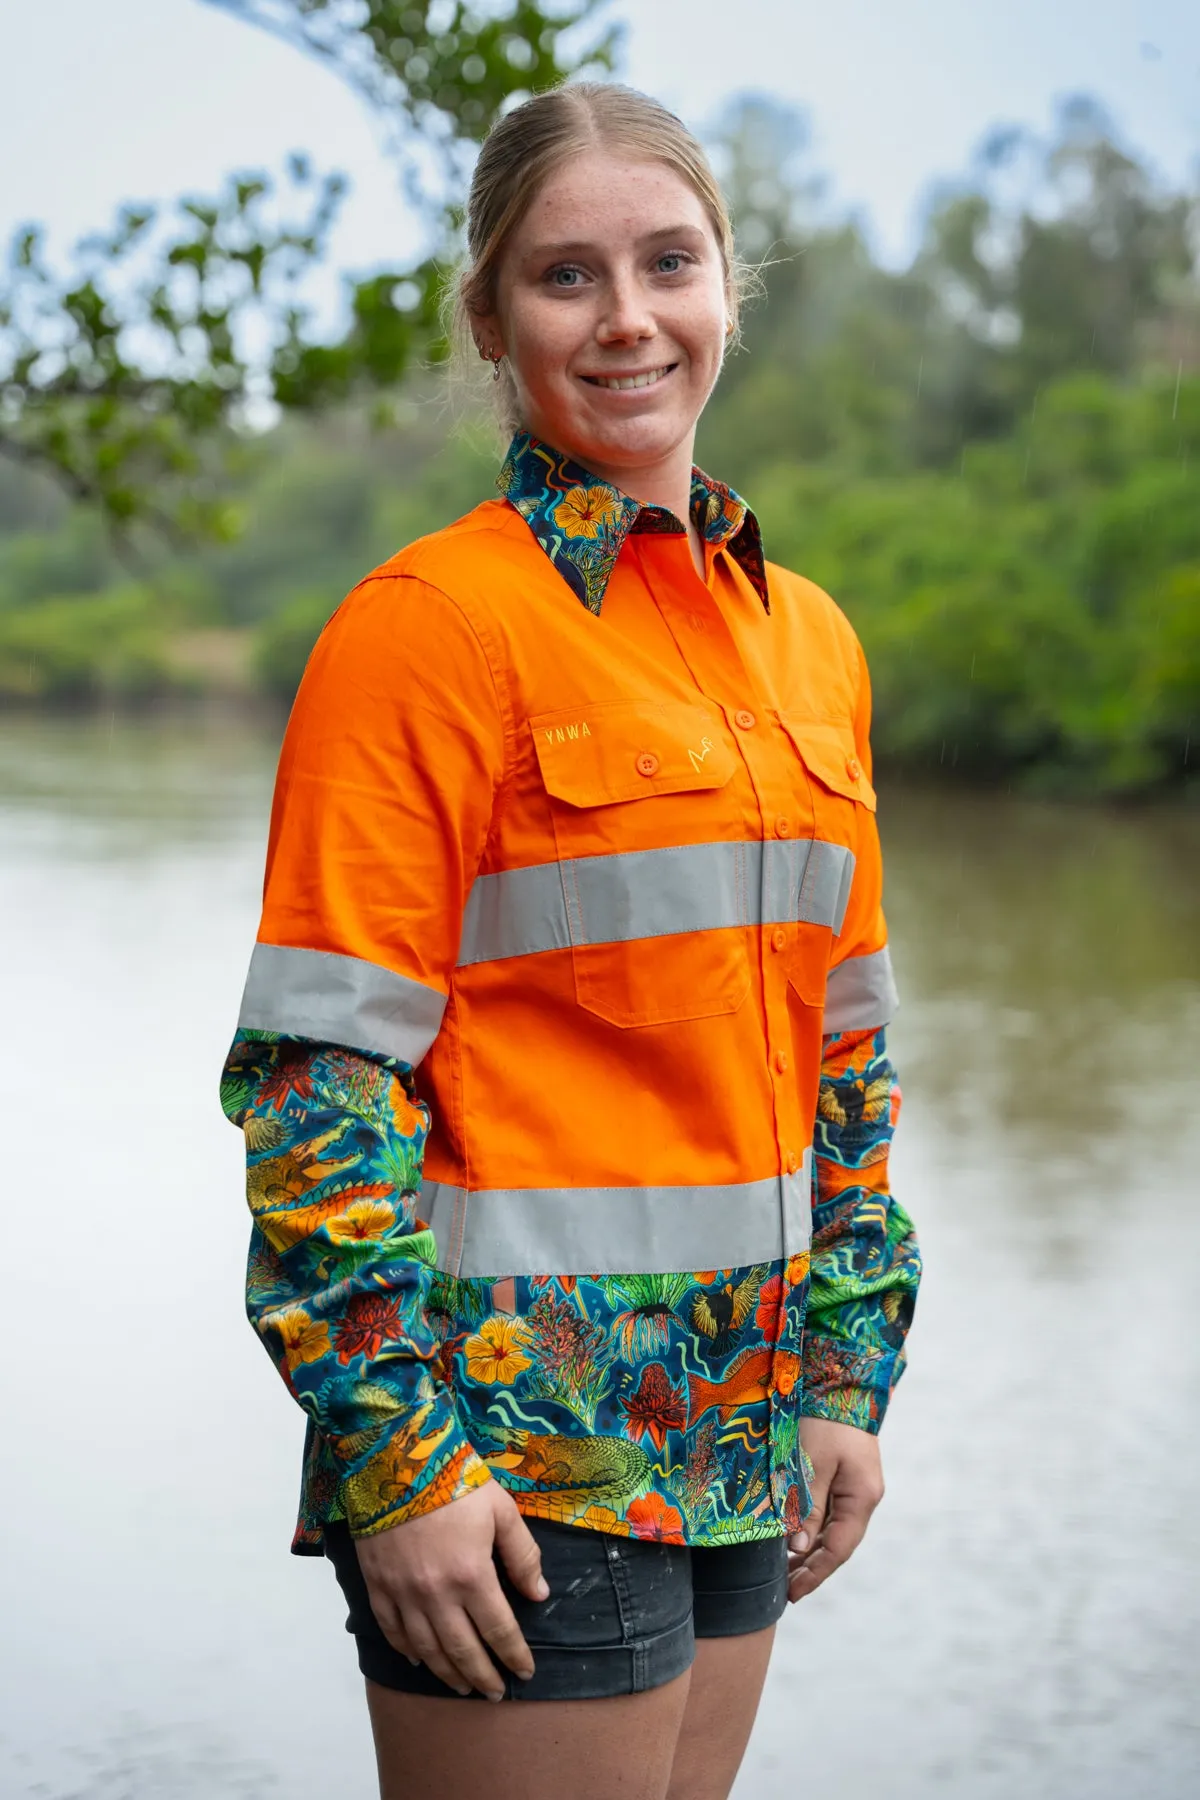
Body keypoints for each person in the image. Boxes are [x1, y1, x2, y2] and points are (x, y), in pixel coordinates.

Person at [220, 81, 921, 1800]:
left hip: (751, 1436)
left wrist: (849, 1372)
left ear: (727, 289)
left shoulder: (810, 644)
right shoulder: (428, 633)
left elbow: (847, 1060)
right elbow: (321, 1091)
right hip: (518, 1464)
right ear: (490, 318)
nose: (628, 321)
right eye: (565, 277)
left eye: (667, 262)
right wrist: (400, 1465)